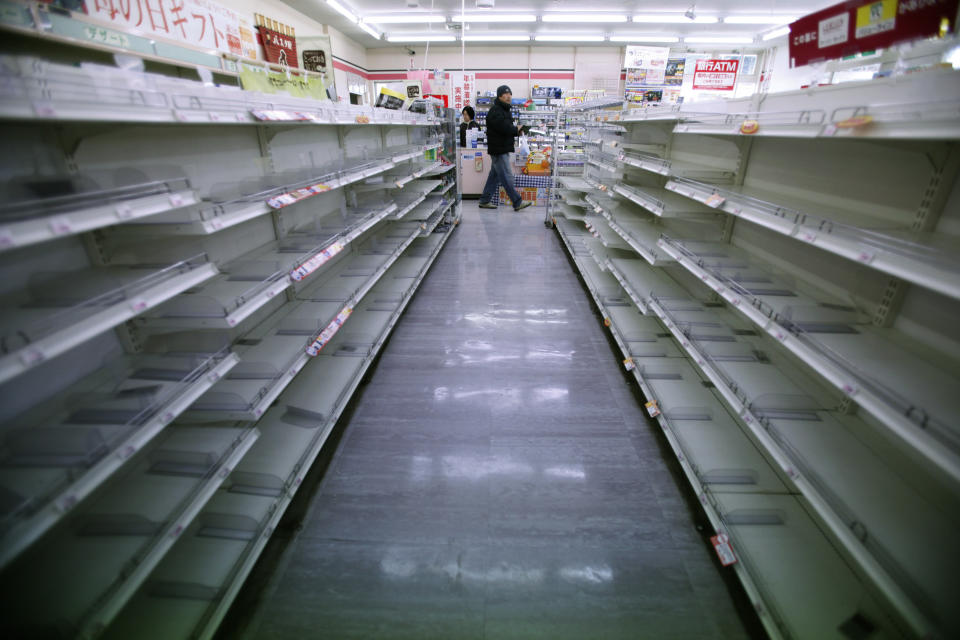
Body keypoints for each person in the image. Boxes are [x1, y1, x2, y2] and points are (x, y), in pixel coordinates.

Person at [478, 85, 532, 212]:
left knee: (495, 176)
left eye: (510, 94)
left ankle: (484, 201)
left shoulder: (504, 110)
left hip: (501, 147)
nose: (508, 96)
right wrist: (515, 129)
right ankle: (517, 202)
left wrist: (516, 130)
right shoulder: (496, 110)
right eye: (505, 94)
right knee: (507, 176)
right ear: (499, 96)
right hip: (499, 149)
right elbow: (503, 127)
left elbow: (505, 128)